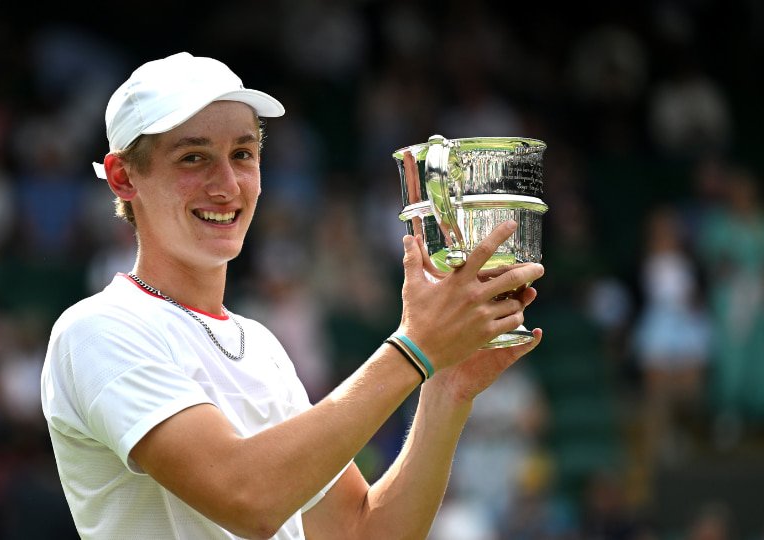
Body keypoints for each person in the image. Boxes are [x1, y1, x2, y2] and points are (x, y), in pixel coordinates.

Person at [40, 51, 545, 539]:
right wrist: (416, 348)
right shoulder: (97, 329)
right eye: (193, 158)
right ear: (124, 177)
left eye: (242, 154)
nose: (227, 185)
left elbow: (361, 533)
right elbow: (248, 499)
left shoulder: (260, 345)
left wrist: (445, 386)